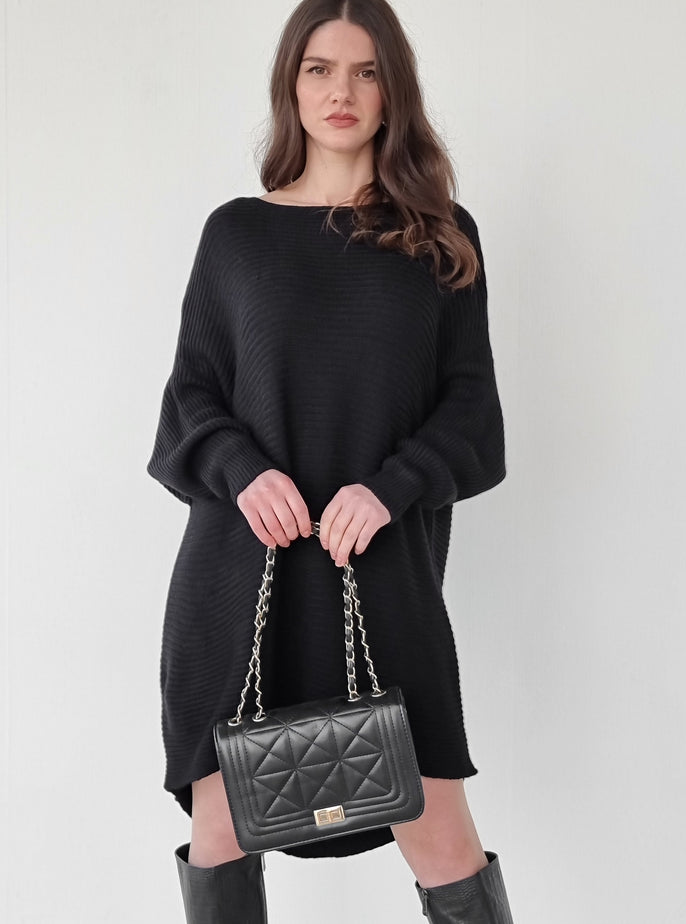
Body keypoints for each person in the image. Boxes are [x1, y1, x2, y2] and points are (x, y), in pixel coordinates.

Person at [146, 1, 514, 921]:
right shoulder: (236, 234)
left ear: (393, 90)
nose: (340, 91)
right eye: (318, 69)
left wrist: (389, 490)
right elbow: (190, 397)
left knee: (438, 833)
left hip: (379, 575)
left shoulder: (439, 233)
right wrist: (243, 471)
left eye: (364, 70)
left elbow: (471, 413)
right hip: (239, 577)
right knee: (222, 828)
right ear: (291, 85)